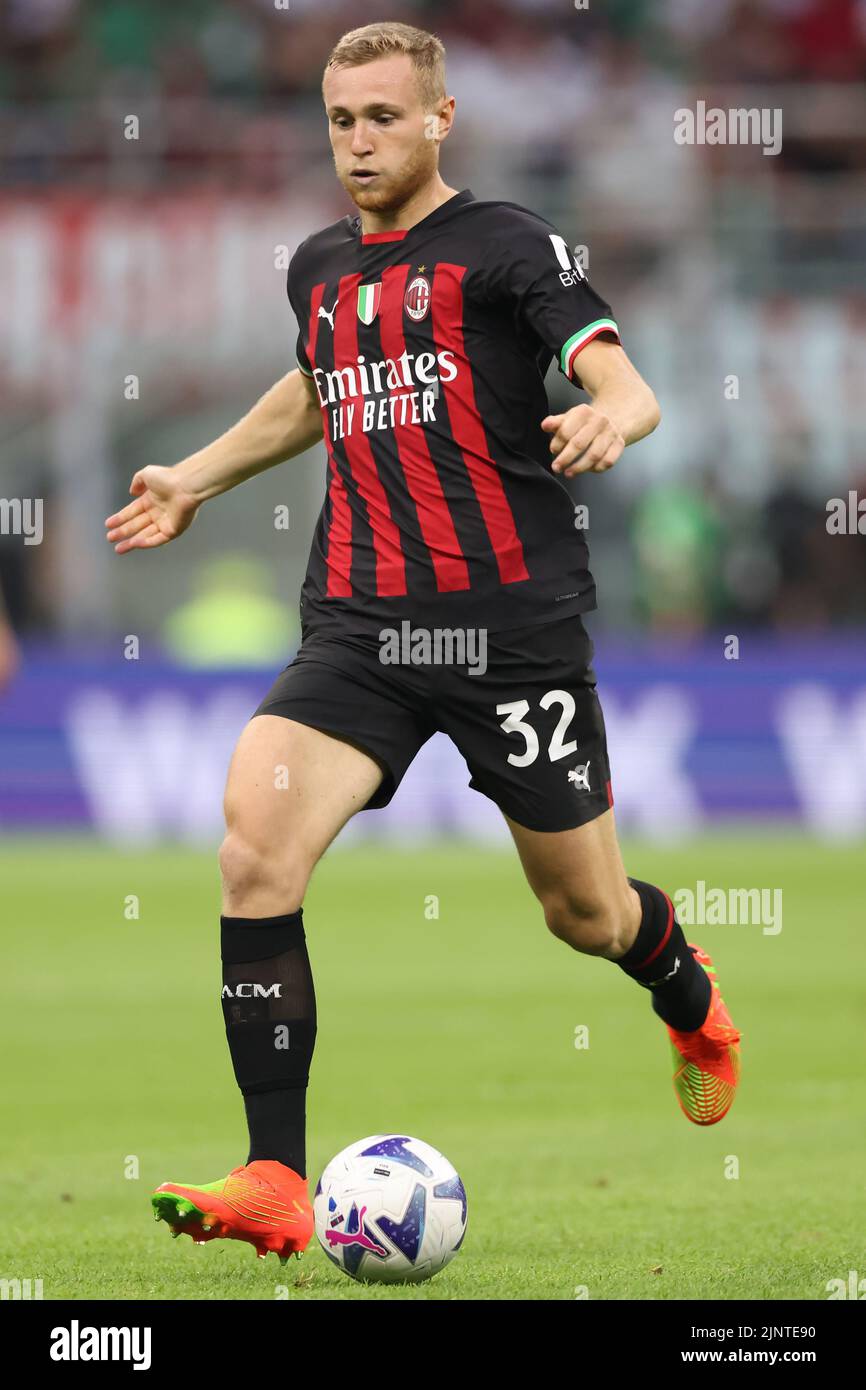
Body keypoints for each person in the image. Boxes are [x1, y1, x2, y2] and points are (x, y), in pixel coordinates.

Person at [105, 21, 740, 1266]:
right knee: (252, 849)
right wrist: (191, 477)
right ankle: (278, 1175)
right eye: (341, 121)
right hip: (359, 625)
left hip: (509, 629)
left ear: (439, 119)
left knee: (585, 913)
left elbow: (619, 377)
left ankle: (687, 998)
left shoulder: (506, 246)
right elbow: (313, 383)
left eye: (383, 118)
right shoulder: (319, 268)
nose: (358, 143)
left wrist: (613, 417)